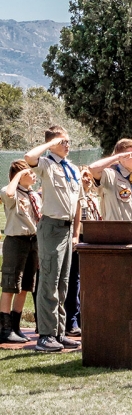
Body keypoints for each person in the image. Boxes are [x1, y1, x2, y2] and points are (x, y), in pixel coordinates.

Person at [24, 125, 82, 353]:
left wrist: (76, 232)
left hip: (68, 229)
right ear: (52, 143)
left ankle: (59, 331)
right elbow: (29, 157)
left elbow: (78, 203)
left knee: (63, 283)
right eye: (63, 142)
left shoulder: (73, 169)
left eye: (68, 141)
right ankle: (45, 335)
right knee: (49, 280)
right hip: (51, 227)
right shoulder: (47, 164)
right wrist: (50, 144)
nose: (67, 145)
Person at [0, 160, 41, 344]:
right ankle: (5, 328)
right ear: (20, 175)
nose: (33, 175)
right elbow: (8, 193)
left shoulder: (34, 195)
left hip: (33, 241)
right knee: (10, 284)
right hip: (16, 241)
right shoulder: (9, 191)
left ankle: (16, 327)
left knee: (26, 286)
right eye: (29, 172)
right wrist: (17, 175)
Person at [64, 166, 102, 336]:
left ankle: (86, 319)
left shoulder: (95, 197)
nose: (87, 179)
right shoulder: (73, 197)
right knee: (74, 281)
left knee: (91, 281)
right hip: (77, 239)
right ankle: (71, 320)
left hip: (94, 239)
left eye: (88, 176)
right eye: (83, 176)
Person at [89, 139, 132, 222]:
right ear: (121, 157)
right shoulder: (110, 176)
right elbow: (92, 168)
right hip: (114, 231)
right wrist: (116, 157)